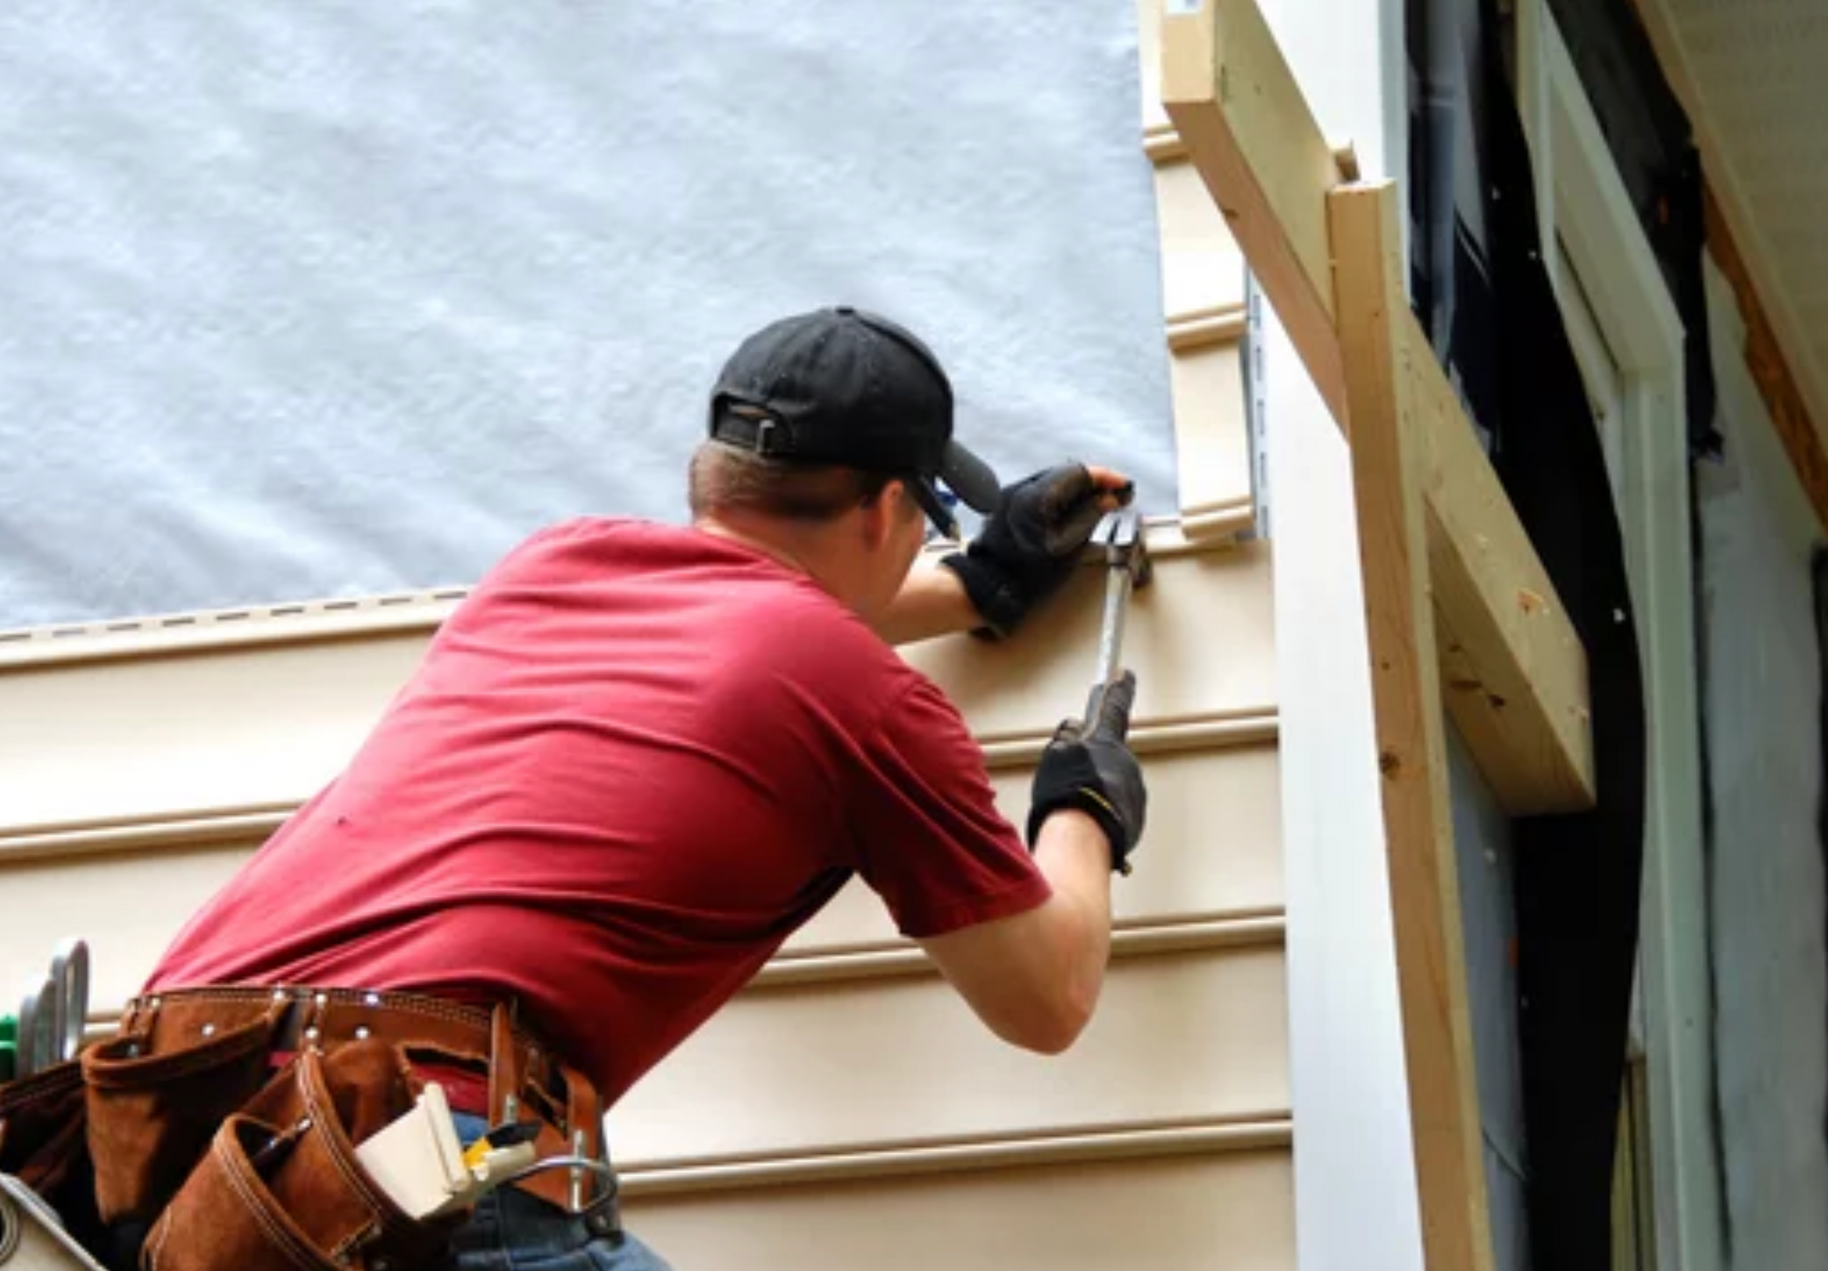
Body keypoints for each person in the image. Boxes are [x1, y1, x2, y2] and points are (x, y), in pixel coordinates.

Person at [136, 305, 1149, 1270]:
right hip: (403, 1147)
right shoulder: (864, 697)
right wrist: (1083, 810)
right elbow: (1046, 998)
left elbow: (746, 636)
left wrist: (983, 583)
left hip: (179, 1123)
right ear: (890, 509)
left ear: (715, 475)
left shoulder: (549, 569)